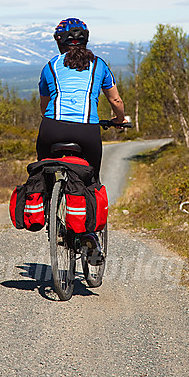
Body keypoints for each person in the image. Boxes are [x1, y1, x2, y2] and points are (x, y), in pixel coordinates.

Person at [36, 17, 126, 262]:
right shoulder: (100, 65)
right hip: (87, 131)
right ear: (86, 40)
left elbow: (44, 107)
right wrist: (119, 119)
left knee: (43, 169)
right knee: (90, 180)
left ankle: (46, 211)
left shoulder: (50, 66)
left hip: (51, 128)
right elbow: (116, 101)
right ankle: (89, 234)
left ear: (58, 42)